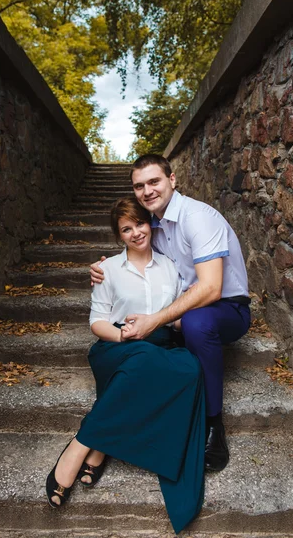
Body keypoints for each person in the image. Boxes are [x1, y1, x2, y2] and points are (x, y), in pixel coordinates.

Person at [46, 197, 205, 535]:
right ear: (119, 236)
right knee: (141, 359)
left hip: (160, 343)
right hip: (116, 344)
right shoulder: (108, 269)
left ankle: (98, 441)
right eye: (126, 229)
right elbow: (97, 321)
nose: (136, 233)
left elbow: (177, 316)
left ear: (151, 224)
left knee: (190, 369)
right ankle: (80, 447)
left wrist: (172, 323)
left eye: (140, 224)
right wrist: (125, 337)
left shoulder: (171, 266)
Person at [90, 154, 251, 472]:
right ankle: (115, 428)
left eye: (154, 181)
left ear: (172, 180)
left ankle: (213, 425)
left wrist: (157, 319)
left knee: (193, 322)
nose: (147, 191)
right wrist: (102, 268)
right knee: (156, 343)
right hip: (184, 310)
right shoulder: (154, 225)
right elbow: (138, 254)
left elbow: (210, 289)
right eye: (139, 185)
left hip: (226, 308)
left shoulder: (197, 217)